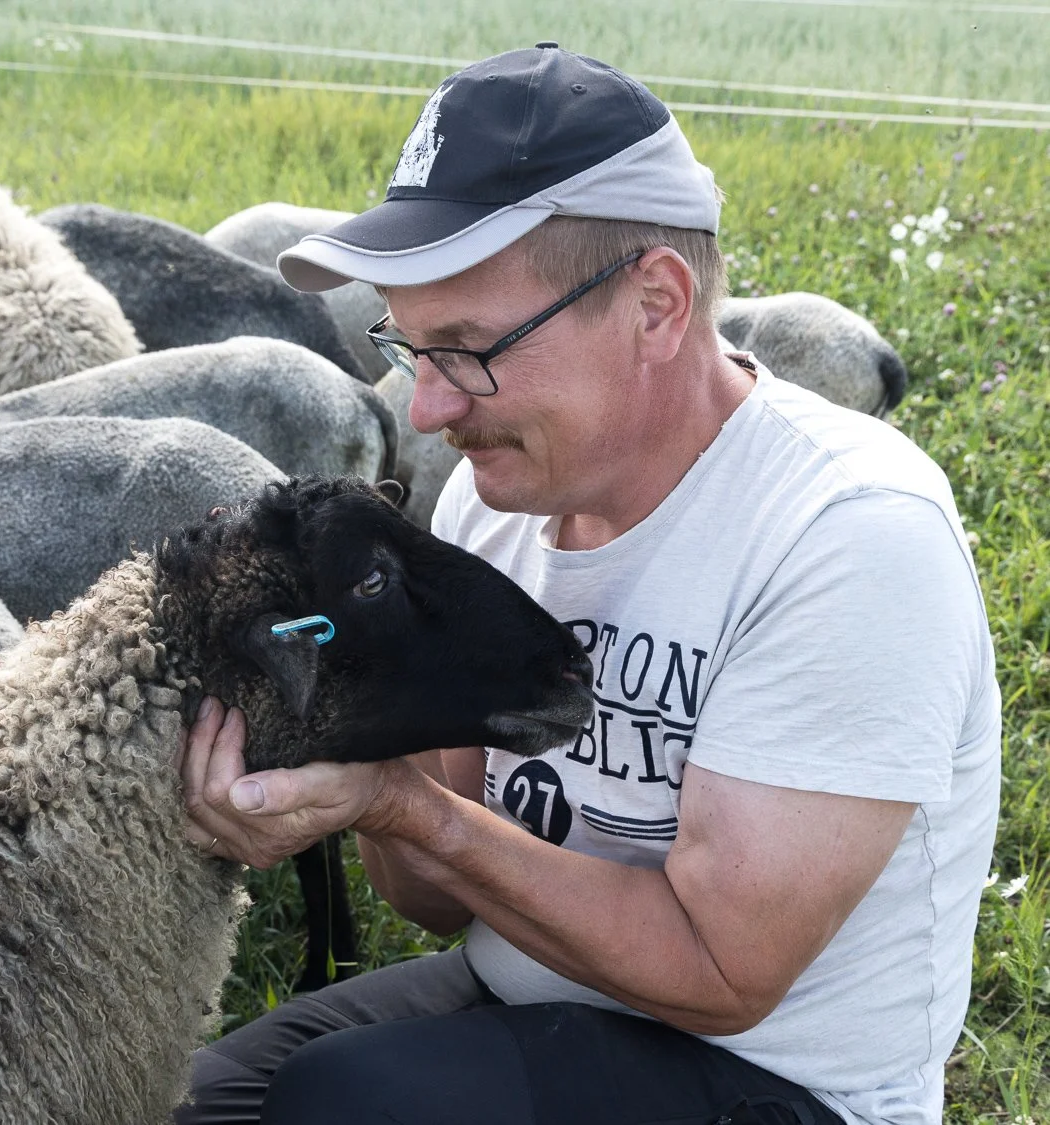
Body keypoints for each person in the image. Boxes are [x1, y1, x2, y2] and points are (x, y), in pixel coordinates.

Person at [176, 44, 1000, 1125]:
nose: (426, 410)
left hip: (781, 1082)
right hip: (526, 989)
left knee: (346, 1107)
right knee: (195, 1104)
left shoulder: (847, 535)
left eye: (467, 348)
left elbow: (721, 975)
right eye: (410, 346)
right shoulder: (491, 500)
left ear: (654, 307)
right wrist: (352, 733)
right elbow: (427, 902)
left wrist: (399, 805)